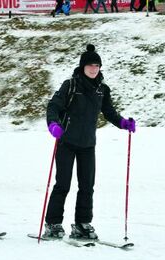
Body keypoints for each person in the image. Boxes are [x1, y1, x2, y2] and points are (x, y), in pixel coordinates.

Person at [44, 44, 136, 240]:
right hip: (66, 142)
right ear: (83, 67)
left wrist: (123, 123)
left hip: (87, 144)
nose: (94, 69)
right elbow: (54, 106)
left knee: (87, 186)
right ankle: (53, 223)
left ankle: (82, 224)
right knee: (63, 184)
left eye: (97, 65)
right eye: (90, 65)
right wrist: (53, 124)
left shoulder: (102, 90)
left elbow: (109, 112)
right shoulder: (71, 85)